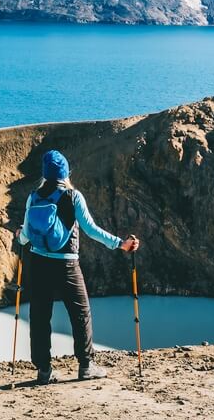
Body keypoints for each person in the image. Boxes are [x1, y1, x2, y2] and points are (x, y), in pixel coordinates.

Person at [14, 150, 139, 384]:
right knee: (80, 313)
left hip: (39, 263)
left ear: (45, 173)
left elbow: (26, 236)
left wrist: (19, 237)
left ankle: (44, 371)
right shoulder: (73, 196)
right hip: (67, 264)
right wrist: (120, 244)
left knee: (40, 316)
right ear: (65, 172)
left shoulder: (34, 197)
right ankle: (86, 366)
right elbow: (91, 230)